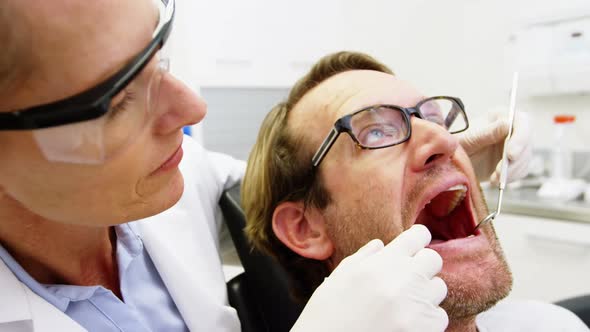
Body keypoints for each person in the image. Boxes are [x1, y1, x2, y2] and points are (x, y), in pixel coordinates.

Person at [242, 51, 588, 331]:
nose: (445, 140)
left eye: (436, 120)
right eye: (377, 131)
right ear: (305, 228)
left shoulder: (552, 324)